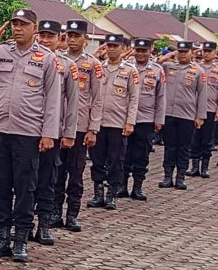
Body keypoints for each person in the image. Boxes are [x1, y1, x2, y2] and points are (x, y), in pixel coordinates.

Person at [0, 9, 60, 263]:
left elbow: (53, 100)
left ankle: (21, 239)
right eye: (14, 24)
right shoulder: (1, 51)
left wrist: (48, 134)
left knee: (25, 188)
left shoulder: (47, 58)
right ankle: (2, 237)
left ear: (34, 28)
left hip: (28, 133)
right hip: (0, 128)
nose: (17, 28)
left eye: (23, 24)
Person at [30, 20, 79, 245]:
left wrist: (69, 132)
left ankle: (44, 225)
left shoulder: (67, 65)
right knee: (24, 181)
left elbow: (72, 102)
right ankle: (24, 224)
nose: (44, 40)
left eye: (50, 36)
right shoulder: (28, 59)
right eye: (42, 35)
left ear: (60, 39)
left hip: (52, 132)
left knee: (48, 180)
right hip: (27, 130)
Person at [52, 20, 102, 231]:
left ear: (86, 39)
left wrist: (93, 129)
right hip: (57, 124)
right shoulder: (56, 59)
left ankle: (72, 214)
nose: (72, 40)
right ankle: (54, 212)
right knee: (56, 173)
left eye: (76, 36)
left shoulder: (93, 64)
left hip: (80, 126)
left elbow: (97, 98)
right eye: (69, 36)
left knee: (75, 173)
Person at [88, 34, 139, 209]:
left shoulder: (130, 70)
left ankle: (111, 194)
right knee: (97, 160)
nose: (111, 49)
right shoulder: (98, 67)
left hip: (118, 123)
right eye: (108, 46)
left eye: (115, 46)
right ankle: (98, 193)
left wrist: (130, 122)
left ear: (123, 48)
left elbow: (134, 98)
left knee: (116, 161)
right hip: (98, 123)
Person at [156, 41, 207, 190]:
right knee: (169, 147)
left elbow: (202, 94)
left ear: (191, 53)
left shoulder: (198, 71)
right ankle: (167, 177)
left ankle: (180, 178)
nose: (183, 54)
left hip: (187, 115)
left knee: (184, 148)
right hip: (169, 114)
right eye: (180, 52)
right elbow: (155, 64)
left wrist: (200, 116)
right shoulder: (168, 67)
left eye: (185, 52)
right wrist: (169, 55)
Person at [121, 38, 165, 200]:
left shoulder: (157, 70)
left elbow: (161, 96)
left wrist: (159, 119)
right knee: (124, 154)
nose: (140, 53)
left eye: (144, 51)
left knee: (142, 155)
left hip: (146, 119)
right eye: (137, 50)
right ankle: (122, 186)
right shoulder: (126, 67)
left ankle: (137, 187)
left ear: (150, 50)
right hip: (125, 118)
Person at [187, 41, 218, 178]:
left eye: (209, 51)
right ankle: (194, 166)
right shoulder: (195, 68)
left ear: (215, 53)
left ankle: (204, 167)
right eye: (205, 51)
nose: (206, 54)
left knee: (207, 139)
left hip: (210, 108)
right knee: (194, 139)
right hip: (195, 109)